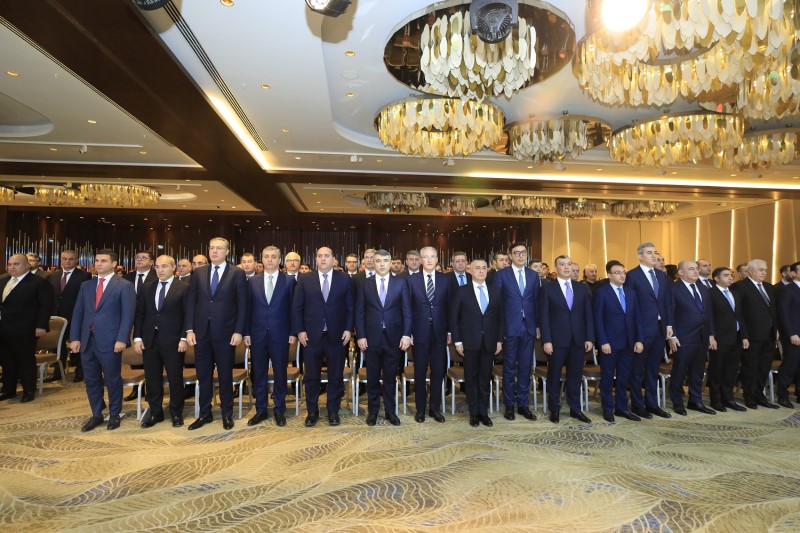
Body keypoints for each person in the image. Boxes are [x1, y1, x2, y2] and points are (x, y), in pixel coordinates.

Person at [185, 237, 249, 431]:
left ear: (227, 252)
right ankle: (204, 414)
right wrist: (189, 329)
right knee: (203, 375)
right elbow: (191, 302)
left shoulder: (237, 273)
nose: (214, 251)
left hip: (226, 333)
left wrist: (239, 330)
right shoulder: (199, 272)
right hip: (201, 333)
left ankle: (226, 414)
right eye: (211, 248)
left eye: (219, 248)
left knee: (225, 375)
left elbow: (242, 305)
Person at [68, 249, 136, 431]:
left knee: (112, 379)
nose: (98, 264)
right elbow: (78, 312)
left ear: (113, 264)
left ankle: (114, 414)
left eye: (103, 261)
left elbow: (128, 315)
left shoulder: (124, 285)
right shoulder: (86, 285)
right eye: (97, 260)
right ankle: (97, 413)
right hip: (87, 340)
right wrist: (74, 337)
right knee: (91, 379)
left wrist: (122, 339)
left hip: (111, 340)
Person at [291, 246, 354, 427]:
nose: (323, 259)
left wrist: (348, 329)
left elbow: (350, 307)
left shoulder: (344, 279)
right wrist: (300, 330)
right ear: (316, 259)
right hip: (311, 337)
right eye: (320, 256)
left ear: (334, 259)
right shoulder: (305, 279)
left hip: (337, 336)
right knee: (311, 377)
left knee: (335, 376)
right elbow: (297, 307)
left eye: (327, 256)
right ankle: (312, 411)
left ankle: (333, 411)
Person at [355, 249, 411, 426]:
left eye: (385, 261)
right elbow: (359, 312)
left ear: (390, 263)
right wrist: (361, 335)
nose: (381, 264)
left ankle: (390, 411)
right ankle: (373, 412)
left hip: (394, 337)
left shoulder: (400, 283)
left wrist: (406, 334)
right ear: (373, 263)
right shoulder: (365, 284)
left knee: (390, 377)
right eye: (378, 261)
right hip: (371, 338)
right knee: (372, 377)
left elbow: (407, 311)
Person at [133, 255, 190, 428]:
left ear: (174, 268)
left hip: (174, 340)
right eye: (157, 267)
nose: (160, 270)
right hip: (150, 340)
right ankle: (155, 412)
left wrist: (183, 338)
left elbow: (188, 315)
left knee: (175, 378)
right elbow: (140, 314)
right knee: (152, 379)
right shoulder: (147, 287)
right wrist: (137, 337)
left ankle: (176, 413)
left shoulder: (183, 287)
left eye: (164, 266)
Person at [244, 246, 296, 427]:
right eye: (266, 256)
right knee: (259, 373)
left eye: (274, 257)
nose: (270, 260)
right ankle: (261, 410)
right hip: (257, 334)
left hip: (281, 334)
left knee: (280, 373)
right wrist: (246, 332)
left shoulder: (289, 281)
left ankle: (279, 409)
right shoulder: (252, 281)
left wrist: (293, 332)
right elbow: (247, 309)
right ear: (262, 259)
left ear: (279, 260)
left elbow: (293, 309)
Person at [540, 255, 594, 424]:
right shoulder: (548, 288)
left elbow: (588, 314)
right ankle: (554, 409)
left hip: (578, 340)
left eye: (569, 264)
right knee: (554, 376)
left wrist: (589, 338)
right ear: (556, 268)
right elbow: (544, 317)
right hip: (556, 341)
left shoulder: (581, 288)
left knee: (575, 376)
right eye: (562, 264)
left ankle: (575, 409)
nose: (566, 267)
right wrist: (547, 340)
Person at [450, 258, 503, 427]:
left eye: (484, 268)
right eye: (477, 268)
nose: (481, 271)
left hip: (489, 342)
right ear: (470, 271)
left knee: (485, 378)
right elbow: (454, 318)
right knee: (471, 379)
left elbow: (501, 318)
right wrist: (457, 341)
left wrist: (499, 340)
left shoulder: (495, 291)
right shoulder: (462, 291)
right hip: (469, 342)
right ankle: (474, 413)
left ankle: (483, 413)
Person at [624, 242, 673, 420]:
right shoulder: (632, 276)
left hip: (660, 329)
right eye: (649, 253)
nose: (654, 256)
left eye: (655, 252)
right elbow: (630, 306)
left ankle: (652, 403)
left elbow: (666, 302)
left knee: (653, 369)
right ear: (640, 256)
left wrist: (669, 325)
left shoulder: (661, 275)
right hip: (641, 330)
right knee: (638, 370)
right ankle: (637, 405)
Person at [493, 242, 539, 422]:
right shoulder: (501, 275)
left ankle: (523, 405)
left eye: (523, 252)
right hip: (510, 327)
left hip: (528, 326)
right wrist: (499, 329)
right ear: (510, 256)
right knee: (510, 367)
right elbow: (497, 304)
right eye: (516, 253)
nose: (520, 255)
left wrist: (538, 325)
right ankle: (509, 405)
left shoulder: (533, 275)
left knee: (526, 367)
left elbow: (536, 301)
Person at [593, 261, 643, 423]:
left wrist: (639, 339)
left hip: (629, 342)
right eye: (618, 272)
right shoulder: (601, 293)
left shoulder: (631, 292)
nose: (622, 275)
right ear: (609, 275)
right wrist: (603, 342)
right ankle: (608, 409)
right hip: (610, 344)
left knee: (623, 378)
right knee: (608, 378)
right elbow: (598, 319)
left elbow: (637, 318)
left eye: (624, 272)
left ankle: (622, 408)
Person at [407, 246, 453, 423]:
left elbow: (450, 307)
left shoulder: (446, 279)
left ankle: (435, 408)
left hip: (440, 333)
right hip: (419, 333)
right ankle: (420, 409)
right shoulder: (411, 280)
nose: (429, 260)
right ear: (420, 260)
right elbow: (407, 309)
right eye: (425, 257)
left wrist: (450, 331)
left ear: (437, 259)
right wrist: (408, 332)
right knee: (419, 371)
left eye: (432, 256)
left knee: (438, 372)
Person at [0, 254, 53, 402]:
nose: (12, 267)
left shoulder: (38, 282)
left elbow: (45, 306)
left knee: (25, 360)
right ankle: (8, 390)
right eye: (10, 264)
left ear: (27, 265)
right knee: (6, 360)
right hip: (3, 328)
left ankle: (28, 390)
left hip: (25, 329)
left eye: (16, 264)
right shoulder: (3, 281)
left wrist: (41, 326)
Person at [667, 261, 717, 415]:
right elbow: (670, 313)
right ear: (681, 273)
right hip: (682, 337)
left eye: (696, 269)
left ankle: (696, 400)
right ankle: (677, 401)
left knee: (697, 371)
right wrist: (672, 336)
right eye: (691, 269)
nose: (696, 272)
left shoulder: (703, 288)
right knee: (680, 371)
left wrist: (711, 335)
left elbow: (709, 314)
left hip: (702, 336)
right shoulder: (673, 289)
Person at [731, 259, 780, 409]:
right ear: (751, 271)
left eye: (765, 270)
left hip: (769, 334)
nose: (764, 272)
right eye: (761, 270)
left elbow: (773, 311)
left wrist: (776, 329)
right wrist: (744, 335)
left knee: (764, 367)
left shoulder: (769, 287)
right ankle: (749, 397)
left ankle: (760, 396)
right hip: (751, 335)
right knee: (750, 367)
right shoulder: (740, 286)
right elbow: (738, 313)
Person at [46, 249, 93, 383]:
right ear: (60, 260)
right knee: (57, 346)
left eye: (71, 259)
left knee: (77, 344)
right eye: (64, 259)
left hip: (75, 316)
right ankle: (58, 372)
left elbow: (86, 297)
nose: (67, 261)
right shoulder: (53, 276)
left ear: (76, 260)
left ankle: (80, 371)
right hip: (56, 317)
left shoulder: (84, 275)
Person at [707, 266, 749, 412]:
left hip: (736, 337)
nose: (730, 278)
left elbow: (740, 316)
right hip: (719, 338)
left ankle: (728, 399)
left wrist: (744, 336)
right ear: (716, 278)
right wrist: (711, 336)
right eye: (726, 275)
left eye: (731, 275)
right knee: (717, 369)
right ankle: (716, 400)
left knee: (731, 370)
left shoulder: (735, 293)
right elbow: (709, 316)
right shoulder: (710, 293)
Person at [775, 261, 800, 408]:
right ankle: (782, 395)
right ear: (793, 273)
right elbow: (783, 314)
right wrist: (791, 334)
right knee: (790, 365)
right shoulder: (787, 289)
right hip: (793, 335)